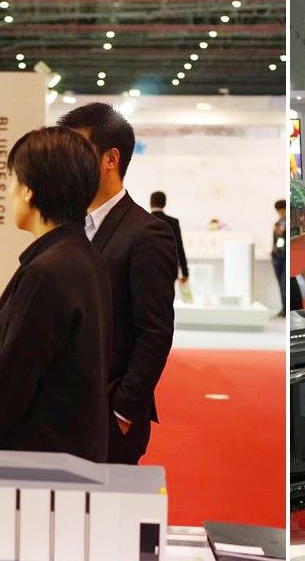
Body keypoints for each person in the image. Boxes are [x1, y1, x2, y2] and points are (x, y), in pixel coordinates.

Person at [0, 127, 111, 462]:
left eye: (12, 179)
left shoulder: (48, 271)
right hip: (70, 451)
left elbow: (14, 376)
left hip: (38, 457)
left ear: (29, 190)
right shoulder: (85, 257)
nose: (9, 190)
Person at [58, 102, 177, 465]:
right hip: (62, 410)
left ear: (111, 159)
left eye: (78, 152)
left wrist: (124, 409)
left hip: (110, 415)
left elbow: (155, 332)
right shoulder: (69, 227)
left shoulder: (147, 233)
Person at [149, 191, 189, 285]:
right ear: (164, 203)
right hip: (168, 268)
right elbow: (179, 247)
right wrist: (185, 272)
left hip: (148, 267)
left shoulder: (143, 220)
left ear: (150, 203)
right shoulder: (173, 222)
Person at [273, 199, 286, 315]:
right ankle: (284, 308)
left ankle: (286, 309)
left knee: (284, 284)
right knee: (280, 283)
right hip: (277, 255)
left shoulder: (288, 221)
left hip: (285, 255)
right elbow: (276, 240)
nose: (281, 213)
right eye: (279, 211)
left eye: (283, 210)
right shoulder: (278, 223)